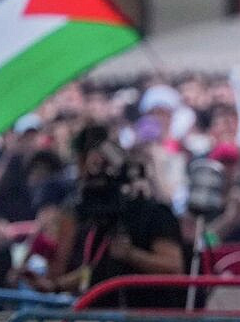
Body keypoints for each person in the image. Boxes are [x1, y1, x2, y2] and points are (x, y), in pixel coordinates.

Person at [36, 125, 186, 308]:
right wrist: (55, 286)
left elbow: (173, 266)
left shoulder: (155, 214)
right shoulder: (106, 220)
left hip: (149, 318)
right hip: (108, 316)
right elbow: (95, 271)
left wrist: (132, 255)